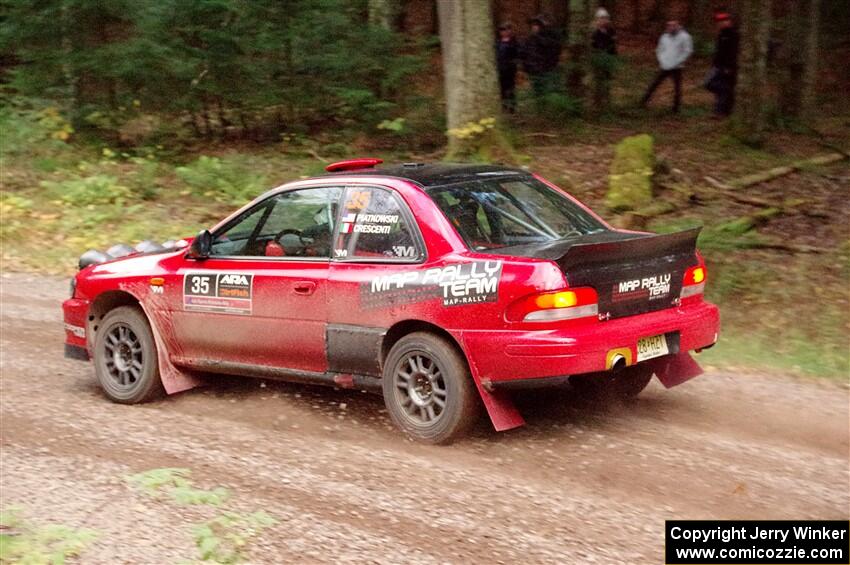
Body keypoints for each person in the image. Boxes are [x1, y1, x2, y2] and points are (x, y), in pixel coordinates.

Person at [640, 20, 693, 113]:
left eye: (673, 26)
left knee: (677, 87)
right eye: (669, 26)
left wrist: (678, 61)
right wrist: (662, 60)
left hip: (677, 67)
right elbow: (659, 49)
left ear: (678, 26)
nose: (670, 27)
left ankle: (676, 108)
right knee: (655, 83)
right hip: (665, 65)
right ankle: (643, 101)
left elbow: (687, 51)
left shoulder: (685, 37)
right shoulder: (664, 37)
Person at [521, 15, 562, 105]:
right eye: (533, 25)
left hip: (544, 69)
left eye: (536, 25)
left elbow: (551, 50)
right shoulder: (528, 39)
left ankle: (545, 110)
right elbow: (524, 53)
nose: (534, 27)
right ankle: (540, 109)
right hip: (533, 70)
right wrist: (525, 66)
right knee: (537, 92)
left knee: (545, 90)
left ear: (540, 26)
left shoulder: (547, 37)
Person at [710, 12, 739, 117]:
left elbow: (733, 52)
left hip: (729, 68)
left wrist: (729, 67)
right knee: (712, 85)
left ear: (728, 21)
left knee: (727, 88)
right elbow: (718, 51)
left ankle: (723, 111)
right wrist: (714, 64)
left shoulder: (734, 34)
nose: (720, 23)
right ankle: (720, 110)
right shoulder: (721, 34)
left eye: (722, 21)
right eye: (718, 22)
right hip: (719, 67)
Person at [590, 7, 618, 111]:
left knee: (607, 81)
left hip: (608, 60)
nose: (603, 20)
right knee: (598, 82)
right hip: (598, 61)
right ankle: (597, 103)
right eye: (601, 18)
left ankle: (607, 102)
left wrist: (613, 58)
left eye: (605, 18)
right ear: (597, 20)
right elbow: (594, 47)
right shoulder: (594, 33)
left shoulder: (611, 31)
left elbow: (613, 46)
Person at [495, 23, 519, 113]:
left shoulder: (513, 42)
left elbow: (516, 54)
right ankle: (504, 106)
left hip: (510, 69)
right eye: (502, 30)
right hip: (500, 68)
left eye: (505, 30)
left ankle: (512, 107)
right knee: (502, 89)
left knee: (511, 88)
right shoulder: (498, 42)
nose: (503, 32)